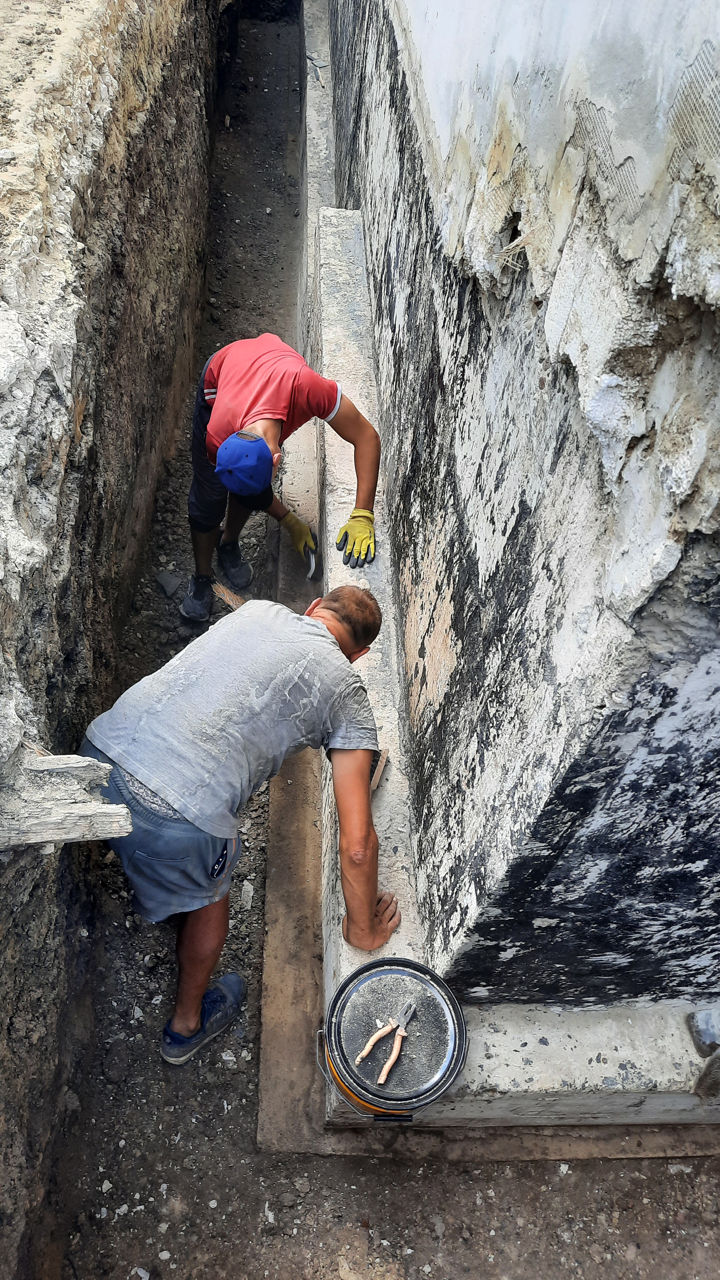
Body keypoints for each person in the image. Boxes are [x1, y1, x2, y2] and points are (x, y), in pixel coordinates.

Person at [81, 586, 400, 1065]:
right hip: (177, 823)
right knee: (212, 897)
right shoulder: (348, 691)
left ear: (313, 608)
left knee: (167, 840)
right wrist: (363, 931)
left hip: (98, 756)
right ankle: (186, 1027)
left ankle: (156, 879)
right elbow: (357, 845)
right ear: (360, 655)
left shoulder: (259, 611)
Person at [182, 333, 381, 621]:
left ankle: (228, 541)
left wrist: (363, 514)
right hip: (222, 373)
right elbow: (243, 481)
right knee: (208, 495)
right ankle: (203, 577)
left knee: (247, 487)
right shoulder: (217, 431)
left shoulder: (307, 387)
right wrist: (289, 521)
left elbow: (366, 436)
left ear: (278, 459)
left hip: (273, 366)